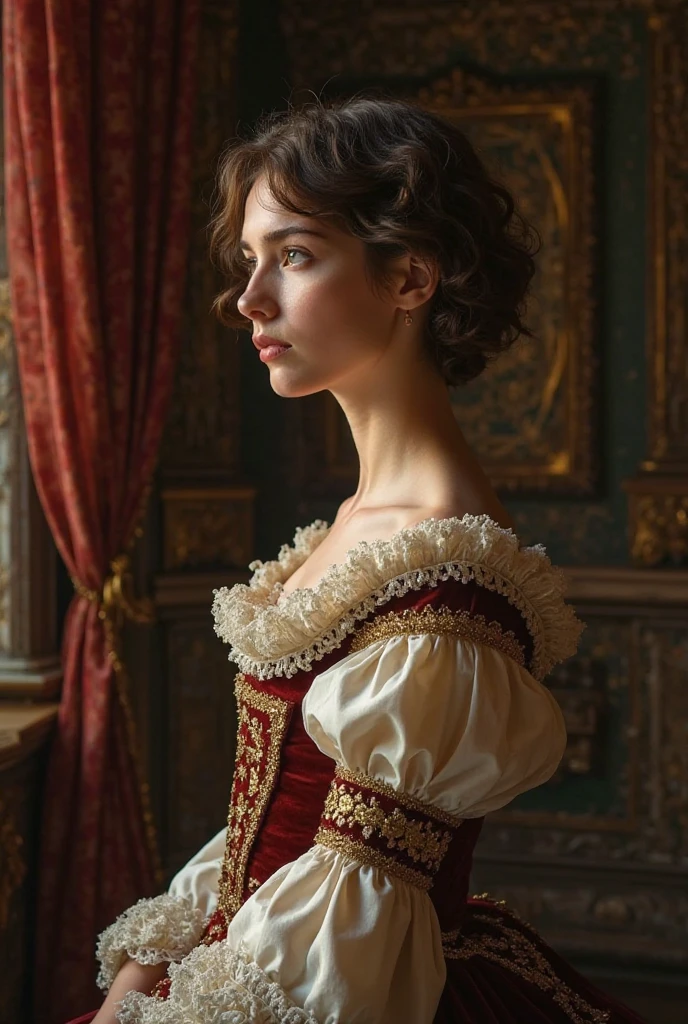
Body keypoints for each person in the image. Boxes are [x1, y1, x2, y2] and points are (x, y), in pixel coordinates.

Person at [78, 96, 646, 1024]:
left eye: (294, 256)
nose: (250, 298)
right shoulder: (362, 526)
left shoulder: (448, 570)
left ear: (410, 276)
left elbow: (346, 915)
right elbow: (276, 830)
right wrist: (151, 964)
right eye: (249, 260)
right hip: (255, 949)